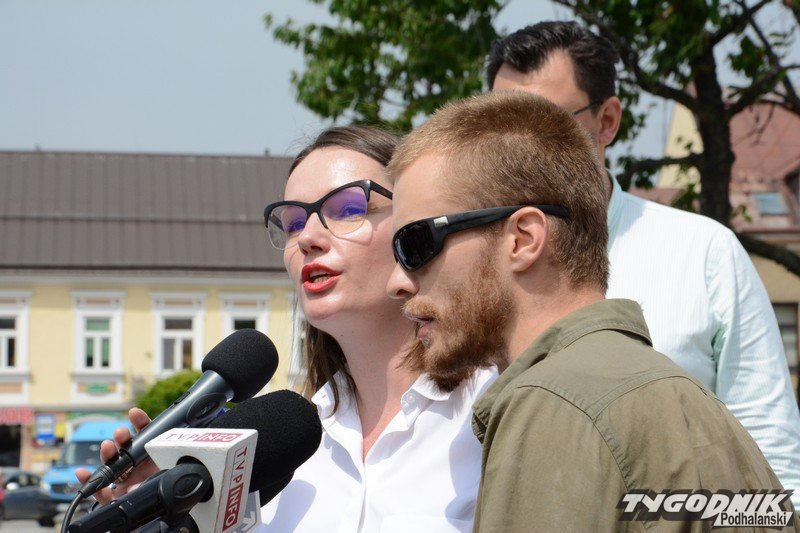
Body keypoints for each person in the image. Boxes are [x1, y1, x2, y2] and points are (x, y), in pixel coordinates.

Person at [386, 90, 797, 530]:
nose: (397, 281)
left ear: (523, 239)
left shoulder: (551, 405)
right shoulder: (693, 404)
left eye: (416, 243)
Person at [77, 126, 497, 532]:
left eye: (349, 209)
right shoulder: (278, 445)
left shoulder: (490, 410)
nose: (308, 237)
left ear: (413, 226)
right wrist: (171, 513)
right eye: (294, 222)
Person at [486, 20, 800, 504]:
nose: (518, 145)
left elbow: (772, 457)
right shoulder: (456, 259)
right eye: (498, 123)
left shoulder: (703, 252)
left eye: (546, 123)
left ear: (607, 121)